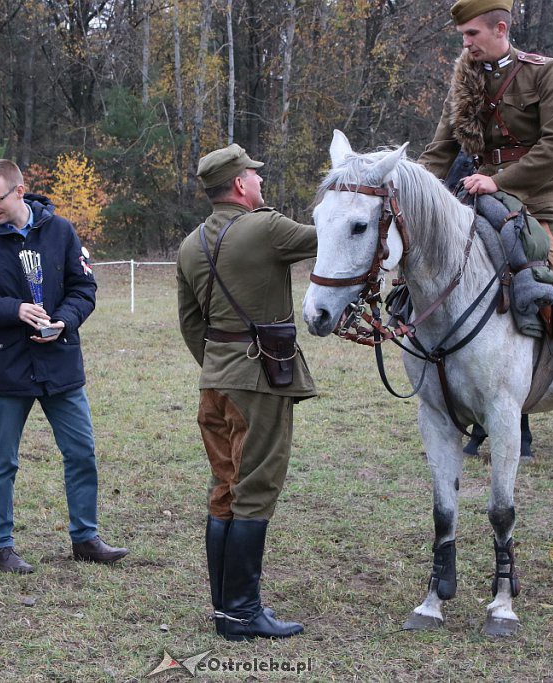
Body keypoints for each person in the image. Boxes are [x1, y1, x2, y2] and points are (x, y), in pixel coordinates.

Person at [418, 0, 553, 409]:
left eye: (472, 34)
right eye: (463, 36)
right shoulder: (465, 80)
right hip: (483, 191)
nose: (466, 44)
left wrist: (497, 180)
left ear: (500, 29)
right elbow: (440, 149)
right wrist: (411, 190)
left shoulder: (544, 71)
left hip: (544, 195)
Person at [0, 159, 128, 574]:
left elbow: (84, 287)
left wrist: (65, 319)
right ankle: (1, 546)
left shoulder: (61, 231)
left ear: (19, 191)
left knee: (81, 451)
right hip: (7, 367)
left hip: (60, 362)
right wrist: (15, 309)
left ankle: (85, 538)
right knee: (3, 460)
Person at [176, 144, 317, 641]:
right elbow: (334, 238)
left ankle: (224, 608)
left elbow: (191, 324)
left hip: (214, 381)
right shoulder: (267, 227)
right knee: (254, 492)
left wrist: (221, 363)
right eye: (254, 176)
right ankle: (241, 613)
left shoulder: (190, 243)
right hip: (258, 382)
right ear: (239, 184)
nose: (260, 181)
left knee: (225, 489)